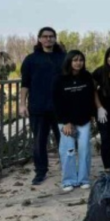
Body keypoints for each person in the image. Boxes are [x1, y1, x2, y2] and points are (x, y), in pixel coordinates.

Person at [20, 26, 66, 185]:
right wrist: (22, 104)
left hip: (60, 107)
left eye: (51, 36)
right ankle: (40, 171)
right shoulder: (31, 59)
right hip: (38, 107)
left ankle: (67, 170)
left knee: (64, 140)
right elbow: (25, 84)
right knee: (39, 141)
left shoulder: (64, 58)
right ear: (39, 39)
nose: (48, 39)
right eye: (45, 36)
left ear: (55, 38)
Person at [52, 50, 94, 191]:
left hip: (84, 120)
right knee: (68, 150)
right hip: (66, 121)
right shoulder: (60, 79)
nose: (78, 63)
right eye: (75, 60)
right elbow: (57, 102)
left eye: (81, 60)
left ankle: (83, 179)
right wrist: (66, 122)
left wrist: (92, 115)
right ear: (69, 62)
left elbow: (90, 97)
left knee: (84, 150)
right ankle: (68, 180)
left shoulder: (87, 76)